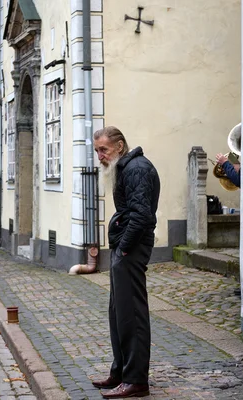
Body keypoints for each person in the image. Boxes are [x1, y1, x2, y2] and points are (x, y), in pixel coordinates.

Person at [91, 126, 160, 399]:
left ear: (119, 147)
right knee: (118, 313)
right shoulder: (127, 168)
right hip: (125, 247)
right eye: (97, 150)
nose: (100, 156)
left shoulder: (137, 169)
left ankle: (135, 381)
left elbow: (142, 215)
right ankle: (120, 372)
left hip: (132, 247)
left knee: (131, 315)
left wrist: (125, 248)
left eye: (103, 150)